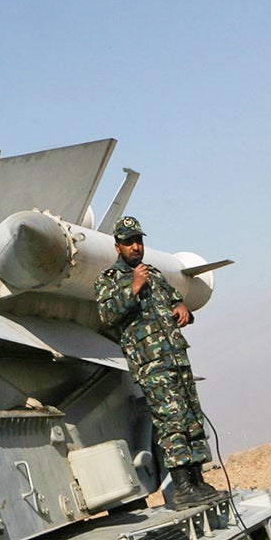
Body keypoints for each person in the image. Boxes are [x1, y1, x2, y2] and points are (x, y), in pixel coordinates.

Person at [94, 215, 220, 509]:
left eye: (138, 241)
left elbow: (176, 303)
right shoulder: (108, 281)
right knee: (171, 422)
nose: (135, 247)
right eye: (128, 243)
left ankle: (197, 480)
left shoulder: (156, 274)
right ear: (117, 247)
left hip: (176, 358)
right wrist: (133, 288)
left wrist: (183, 310)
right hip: (152, 365)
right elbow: (107, 316)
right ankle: (183, 485)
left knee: (191, 419)